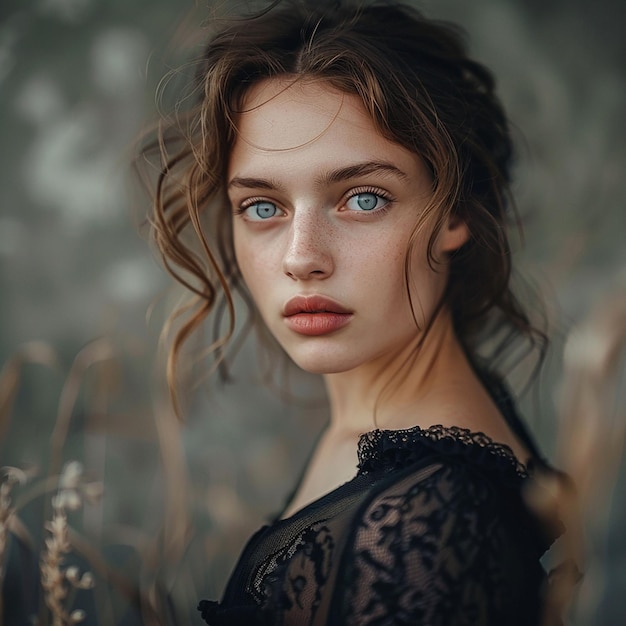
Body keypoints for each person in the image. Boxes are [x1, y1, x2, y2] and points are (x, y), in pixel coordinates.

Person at [143, 0, 564, 623]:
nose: (301, 258)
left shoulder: (420, 527)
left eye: (363, 198)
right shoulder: (392, 429)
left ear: (455, 214)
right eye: (263, 207)